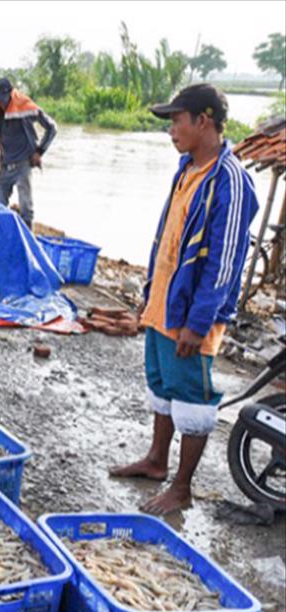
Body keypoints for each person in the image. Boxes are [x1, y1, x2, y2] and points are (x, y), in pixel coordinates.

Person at [110, 84, 259, 515]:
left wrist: (198, 322)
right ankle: (157, 460)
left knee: (193, 396)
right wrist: (149, 295)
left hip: (192, 312)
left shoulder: (230, 180)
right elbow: (169, 236)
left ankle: (182, 487)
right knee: (163, 385)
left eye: (177, 120)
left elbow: (225, 262)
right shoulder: (187, 168)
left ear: (203, 121)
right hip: (165, 302)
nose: (171, 129)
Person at [0, 77, 57, 229]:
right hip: (5, 163)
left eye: (4, 100)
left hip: (23, 163)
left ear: (11, 95)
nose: (1, 104)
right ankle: (3, 235)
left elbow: (52, 128)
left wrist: (39, 151)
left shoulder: (25, 108)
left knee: (26, 208)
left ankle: (27, 237)